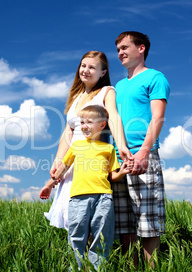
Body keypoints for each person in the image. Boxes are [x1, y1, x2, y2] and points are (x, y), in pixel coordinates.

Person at [39, 51, 131, 230]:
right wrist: (58, 160)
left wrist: (121, 145)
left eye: (92, 67)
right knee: (72, 215)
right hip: (73, 158)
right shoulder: (75, 97)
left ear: (102, 72)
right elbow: (68, 132)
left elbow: (113, 116)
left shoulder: (106, 91)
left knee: (90, 215)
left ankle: (93, 257)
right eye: (83, 66)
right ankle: (80, 257)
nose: (86, 70)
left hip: (92, 159)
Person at [112, 31, 170, 267]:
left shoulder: (155, 78)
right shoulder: (117, 86)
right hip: (118, 157)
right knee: (125, 225)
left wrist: (145, 151)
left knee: (148, 223)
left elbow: (158, 117)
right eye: (118, 50)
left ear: (142, 48)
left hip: (142, 154)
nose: (120, 53)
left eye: (125, 47)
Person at [52, 105, 132, 270]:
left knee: (102, 236)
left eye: (89, 122)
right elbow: (63, 168)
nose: (84, 126)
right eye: (82, 122)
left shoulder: (108, 149)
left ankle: (98, 268)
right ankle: (77, 268)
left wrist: (123, 172)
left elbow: (112, 177)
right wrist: (51, 182)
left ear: (102, 125)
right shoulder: (77, 146)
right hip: (78, 198)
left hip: (103, 198)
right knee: (76, 235)